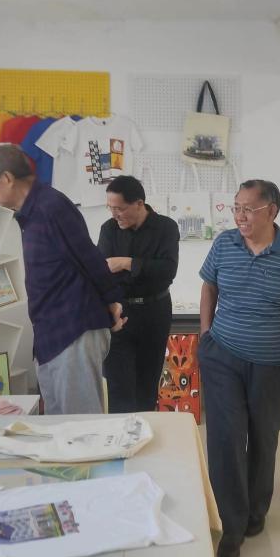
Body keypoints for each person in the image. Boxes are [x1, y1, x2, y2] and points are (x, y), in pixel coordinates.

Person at [198, 179, 280, 557]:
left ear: (272, 211)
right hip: (222, 356)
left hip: (271, 363)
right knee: (226, 438)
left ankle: (255, 510)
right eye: (236, 207)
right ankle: (231, 524)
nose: (240, 216)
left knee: (263, 439)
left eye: (248, 209)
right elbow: (209, 288)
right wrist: (205, 335)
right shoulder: (224, 244)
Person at [0, 144, 126, 414]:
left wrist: (113, 302)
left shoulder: (51, 206)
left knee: (81, 428)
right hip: (51, 335)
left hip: (73, 330)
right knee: (59, 426)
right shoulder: (30, 214)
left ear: (7, 178)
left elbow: (88, 256)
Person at [97, 175, 180, 413]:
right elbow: (102, 271)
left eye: (120, 209)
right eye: (110, 208)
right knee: (118, 388)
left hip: (155, 311)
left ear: (139, 204)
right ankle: (120, 434)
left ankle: (144, 431)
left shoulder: (166, 227)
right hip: (119, 312)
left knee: (147, 385)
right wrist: (142, 267)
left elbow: (167, 270)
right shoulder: (109, 229)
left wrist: (127, 263)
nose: (115, 214)